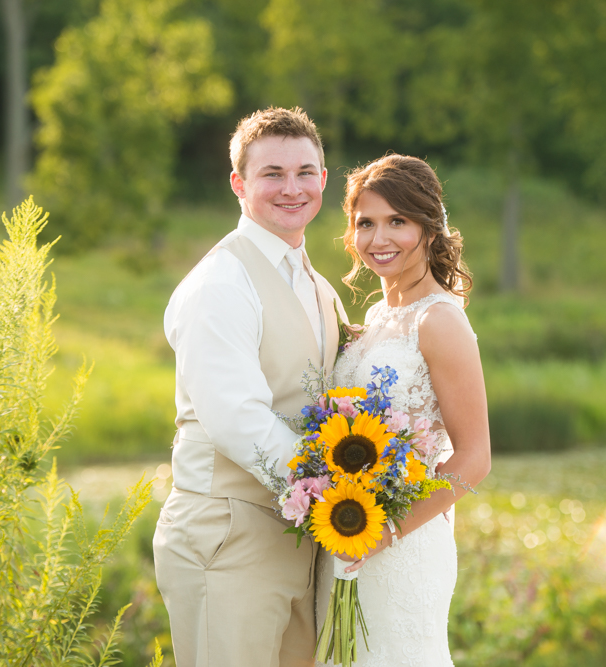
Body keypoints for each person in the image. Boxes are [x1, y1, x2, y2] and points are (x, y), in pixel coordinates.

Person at [153, 107, 349, 667]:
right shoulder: (221, 282)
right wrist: (337, 489)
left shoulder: (317, 285)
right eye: (272, 174)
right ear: (239, 184)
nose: (292, 188)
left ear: (323, 180)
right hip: (227, 538)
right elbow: (237, 417)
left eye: (305, 172)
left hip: (299, 541)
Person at [315, 154, 492, 666]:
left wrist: (383, 534)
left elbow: (474, 458)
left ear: (429, 229)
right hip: (346, 537)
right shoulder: (376, 316)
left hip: (401, 546)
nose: (380, 238)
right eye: (365, 223)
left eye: (398, 222)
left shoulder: (440, 322)